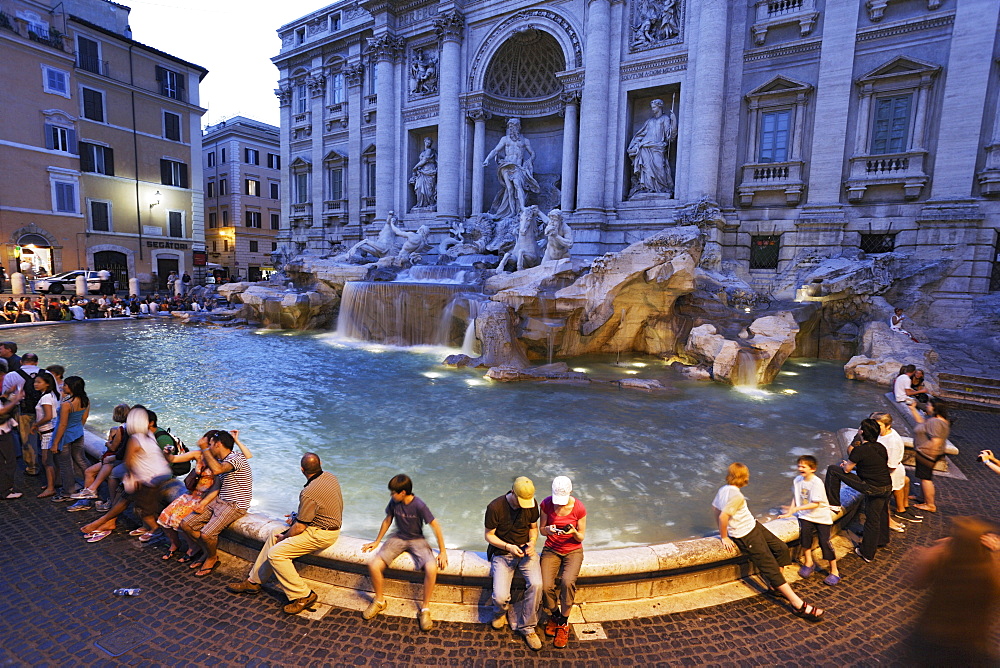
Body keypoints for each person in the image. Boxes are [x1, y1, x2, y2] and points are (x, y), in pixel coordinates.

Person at [227, 453, 341, 615]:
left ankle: (304, 595)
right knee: (275, 532)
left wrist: (286, 536)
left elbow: (300, 527)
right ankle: (254, 581)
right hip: (320, 527)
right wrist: (297, 517)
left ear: (302, 470)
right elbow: (319, 509)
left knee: (276, 554)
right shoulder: (330, 477)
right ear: (320, 463)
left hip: (321, 534)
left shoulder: (308, 492)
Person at [714, 462, 823, 621]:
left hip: (753, 525)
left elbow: (715, 510)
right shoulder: (736, 496)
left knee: (781, 548)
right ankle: (797, 604)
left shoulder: (723, 490)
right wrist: (724, 536)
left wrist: (722, 529)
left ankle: (775, 586)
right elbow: (723, 516)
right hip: (745, 535)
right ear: (744, 477)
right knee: (770, 566)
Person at [906, 517, 1000, 666]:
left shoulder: (942, 557)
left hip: (931, 633)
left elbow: (916, 581)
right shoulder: (990, 572)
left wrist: (928, 554)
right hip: (970, 640)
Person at [361, 474, 448, 631]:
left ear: (402, 493)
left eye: (393, 492)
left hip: (417, 540)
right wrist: (376, 541)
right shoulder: (394, 502)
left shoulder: (419, 505)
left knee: (431, 568)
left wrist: (442, 551)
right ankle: (379, 601)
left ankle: (425, 610)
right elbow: (387, 520)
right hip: (398, 538)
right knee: (374, 565)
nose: (391, 495)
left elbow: (435, 525)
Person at [179, 429, 253, 577]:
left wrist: (203, 448)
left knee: (207, 534)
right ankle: (207, 552)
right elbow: (217, 485)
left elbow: (218, 470)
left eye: (211, 444)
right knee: (186, 524)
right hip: (220, 501)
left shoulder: (235, 459)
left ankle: (212, 558)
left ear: (218, 444)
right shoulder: (220, 460)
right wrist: (204, 502)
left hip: (236, 504)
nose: (210, 447)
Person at [484, 476, 544, 650]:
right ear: (513, 492)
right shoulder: (495, 507)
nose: (523, 505)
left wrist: (532, 543)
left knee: (537, 584)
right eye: (520, 501)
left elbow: (533, 529)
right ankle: (500, 612)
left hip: (526, 551)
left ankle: (528, 627)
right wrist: (508, 547)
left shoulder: (532, 505)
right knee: (500, 596)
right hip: (503, 553)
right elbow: (489, 535)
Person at [824, 418, 892, 563]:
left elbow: (846, 469)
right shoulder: (881, 447)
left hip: (872, 487)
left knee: (833, 470)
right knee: (880, 514)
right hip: (886, 486)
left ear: (862, 432)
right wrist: (850, 466)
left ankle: (834, 504)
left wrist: (845, 465)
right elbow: (873, 466)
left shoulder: (859, 450)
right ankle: (881, 540)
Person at [539, 476, 586, 648]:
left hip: (573, 550)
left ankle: (563, 623)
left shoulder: (579, 507)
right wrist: (549, 530)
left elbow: (581, 536)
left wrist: (573, 532)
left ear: (570, 493)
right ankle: (556, 615)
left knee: (567, 582)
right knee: (544, 585)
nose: (559, 505)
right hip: (551, 549)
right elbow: (541, 530)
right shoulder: (545, 504)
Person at [778, 456, 839, 585]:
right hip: (805, 516)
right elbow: (796, 496)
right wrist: (790, 511)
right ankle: (808, 562)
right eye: (799, 466)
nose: (800, 469)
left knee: (825, 542)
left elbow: (815, 504)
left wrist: (796, 509)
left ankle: (834, 571)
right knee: (805, 539)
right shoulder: (797, 480)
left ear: (812, 469)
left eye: (803, 466)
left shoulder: (816, 483)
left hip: (821, 517)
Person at [122, 406, 173, 542]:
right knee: (149, 506)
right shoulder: (149, 435)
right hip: (160, 476)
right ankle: (152, 528)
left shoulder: (134, 439)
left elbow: (128, 461)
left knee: (144, 510)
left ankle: (156, 530)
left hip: (148, 479)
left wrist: (132, 476)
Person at [66, 403, 130, 509]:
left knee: (91, 471)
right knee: (89, 471)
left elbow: (113, 447)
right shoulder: (125, 428)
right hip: (116, 458)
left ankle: (89, 497)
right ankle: (88, 496)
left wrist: (107, 443)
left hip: (115, 458)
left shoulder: (119, 429)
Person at [870, 412, 920, 528]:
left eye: (879, 425)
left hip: (890, 474)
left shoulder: (892, 442)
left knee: (883, 501)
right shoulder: (884, 434)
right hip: (893, 472)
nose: (875, 428)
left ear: (887, 426)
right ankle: (901, 510)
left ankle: (889, 522)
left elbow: (891, 465)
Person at [483, 118, 540, 218]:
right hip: (506, 165)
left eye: (512, 126)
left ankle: (522, 208)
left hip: (517, 166)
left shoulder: (524, 140)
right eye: (509, 127)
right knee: (509, 188)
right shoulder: (504, 139)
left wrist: (530, 160)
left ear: (518, 127)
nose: (511, 129)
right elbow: (495, 150)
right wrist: (487, 159)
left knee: (518, 185)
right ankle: (512, 212)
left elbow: (532, 153)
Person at [50, 376, 90, 501]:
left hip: (65, 436)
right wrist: (77, 429)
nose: (63, 387)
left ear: (72, 387)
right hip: (78, 433)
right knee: (81, 460)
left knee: (66, 464)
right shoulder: (85, 400)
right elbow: (84, 418)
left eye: (66, 385)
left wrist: (55, 443)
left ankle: (68, 492)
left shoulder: (67, 405)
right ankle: (91, 486)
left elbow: (62, 424)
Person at [627, 99, 677, 198]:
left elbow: (669, 135)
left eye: (654, 107)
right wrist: (634, 145)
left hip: (658, 148)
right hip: (645, 148)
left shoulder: (665, 119)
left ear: (660, 107)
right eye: (652, 107)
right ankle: (647, 188)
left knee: (659, 167)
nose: (652, 109)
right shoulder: (649, 121)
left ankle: (661, 188)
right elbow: (640, 135)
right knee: (646, 168)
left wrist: (674, 120)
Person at [2, 352, 41, 476]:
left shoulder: (12, 375)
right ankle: (50, 465)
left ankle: (32, 467)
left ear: (21, 362)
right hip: (46, 410)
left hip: (24, 411)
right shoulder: (46, 374)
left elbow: (5, 397)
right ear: (36, 362)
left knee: (27, 439)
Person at [909, 397, 951, 514]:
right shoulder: (936, 419)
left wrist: (921, 448)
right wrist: (913, 409)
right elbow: (921, 422)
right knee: (923, 477)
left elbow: (936, 441)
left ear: (935, 407)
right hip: (930, 453)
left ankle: (930, 504)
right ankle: (922, 498)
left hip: (928, 454)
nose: (926, 406)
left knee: (926, 479)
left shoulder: (936, 422)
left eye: (928, 405)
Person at [30, 372, 61, 499]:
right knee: (52, 461)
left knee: (47, 461)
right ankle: (53, 483)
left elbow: (48, 416)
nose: (35, 384)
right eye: (35, 382)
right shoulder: (52, 395)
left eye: (38, 382)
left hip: (47, 432)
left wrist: (35, 424)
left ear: (47, 384)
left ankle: (50, 488)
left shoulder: (45, 398)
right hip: (50, 430)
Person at [0, 388, 25, 499]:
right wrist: (16, 400)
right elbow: (1, 411)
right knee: (9, 461)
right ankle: (5, 491)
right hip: (2, 432)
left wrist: (7, 394)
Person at [409, 137, 437, 210]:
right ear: (424, 142)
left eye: (429, 143)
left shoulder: (429, 151)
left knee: (429, 188)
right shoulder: (423, 152)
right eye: (427, 142)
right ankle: (420, 204)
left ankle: (430, 203)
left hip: (429, 170)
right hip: (422, 171)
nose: (428, 144)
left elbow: (424, 160)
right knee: (419, 187)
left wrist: (415, 167)